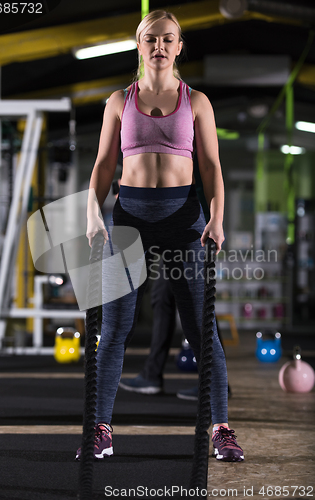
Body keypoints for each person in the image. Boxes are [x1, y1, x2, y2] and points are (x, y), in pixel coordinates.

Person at [76, 9, 244, 463]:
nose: (159, 46)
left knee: (200, 328)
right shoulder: (119, 100)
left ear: (179, 46)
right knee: (114, 329)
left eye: (168, 39)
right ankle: (100, 430)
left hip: (184, 219)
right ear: (139, 43)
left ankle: (222, 429)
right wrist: (93, 212)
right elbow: (103, 166)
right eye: (151, 38)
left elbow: (210, 166)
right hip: (128, 218)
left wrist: (217, 217)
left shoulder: (197, 101)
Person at [119, 259, 233, 400]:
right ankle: (152, 374)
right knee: (162, 295)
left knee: (194, 299)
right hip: (174, 241)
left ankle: (215, 382)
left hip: (187, 241)